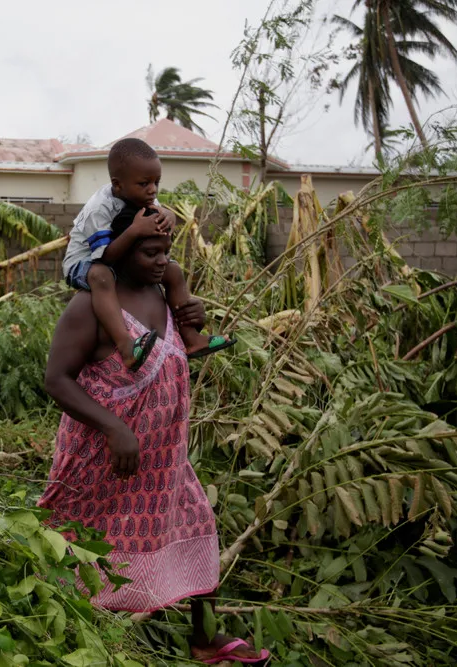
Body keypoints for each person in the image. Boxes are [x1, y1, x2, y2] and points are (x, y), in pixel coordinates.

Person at [40, 210, 270, 664]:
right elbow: (56, 379)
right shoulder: (91, 306)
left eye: (167, 251)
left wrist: (196, 322)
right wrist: (113, 427)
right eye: (149, 252)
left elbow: (167, 363)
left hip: (163, 460)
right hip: (104, 459)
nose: (162, 261)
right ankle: (62, 639)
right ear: (120, 249)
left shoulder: (166, 298)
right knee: (74, 550)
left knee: (198, 528)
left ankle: (205, 640)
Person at [62, 137, 234, 372]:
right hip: (85, 261)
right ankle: (126, 346)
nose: (152, 189)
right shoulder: (99, 209)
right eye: (144, 183)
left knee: (172, 269)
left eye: (156, 182)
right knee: (101, 276)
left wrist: (168, 215)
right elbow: (104, 259)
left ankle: (191, 338)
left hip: (118, 255)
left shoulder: (142, 196)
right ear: (118, 184)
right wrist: (134, 231)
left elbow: (158, 214)